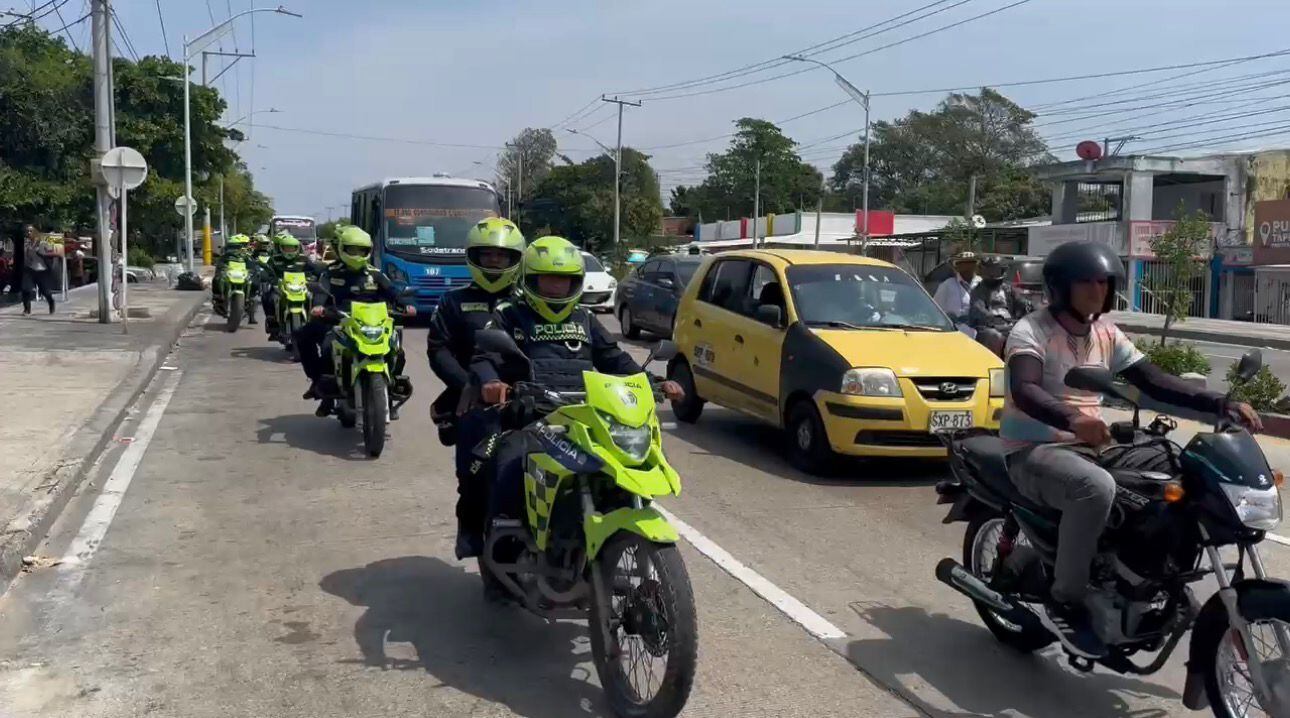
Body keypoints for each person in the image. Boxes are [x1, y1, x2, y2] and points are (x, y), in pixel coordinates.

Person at [1002, 239, 1263, 660]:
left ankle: (1151, 577)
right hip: (1034, 447)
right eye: (1085, 282)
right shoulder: (1031, 330)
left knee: (1179, 476)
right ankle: (1065, 598)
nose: (1097, 290)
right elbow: (1025, 388)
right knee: (1095, 489)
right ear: (1060, 287)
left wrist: (1220, 403)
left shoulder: (1105, 332)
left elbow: (1153, 379)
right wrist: (1071, 419)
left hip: (1091, 445)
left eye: (1104, 282)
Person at [457, 236, 684, 559]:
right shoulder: (509, 314)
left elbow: (614, 359)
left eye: (563, 281)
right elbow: (483, 356)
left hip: (583, 415)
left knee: (623, 464)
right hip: (530, 416)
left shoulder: (585, 318)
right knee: (505, 465)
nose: (555, 289)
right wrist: (492, 382)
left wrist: (653, 382)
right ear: (529, 280)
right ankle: (503, 549)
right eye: (547, 280)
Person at [426, 217, 526, 555]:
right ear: (474, 258)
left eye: (503, 257)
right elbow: (438, 349)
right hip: (472, 398)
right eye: (488, 256)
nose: (495, 263)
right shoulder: (453, 302)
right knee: (473, 468)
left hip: (528, 394)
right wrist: (466, 385)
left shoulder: (530, 302)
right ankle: (469, 526)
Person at [296, 226, 415, 417]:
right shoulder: (331, 273)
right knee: (318, 342)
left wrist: (406, 304)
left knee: (396, 349)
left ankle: (391, 390)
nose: (357, 254)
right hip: (339, 320)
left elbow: (393, 292)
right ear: (343, 249)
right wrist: (319, 307)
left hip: (373, 323)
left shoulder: (374, 274)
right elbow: (321, 292)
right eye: (352, 249)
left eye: (361, 250)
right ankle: (321, 387)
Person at [968, 256, 1033, 356]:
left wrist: (1030, 307)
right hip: (988, 327)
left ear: (1002, 271)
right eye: (989, 270)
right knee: (995, 337)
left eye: (995, 270)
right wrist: (994, 318)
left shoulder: (1008, 290)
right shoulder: (978, 290)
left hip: (1009, 325)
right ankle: (996, 365)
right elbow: (978, 309)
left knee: (1026, 335)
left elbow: (1021, 302)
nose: (992, 273)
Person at [261, 231, 320, 337]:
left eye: (292, 248)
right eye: (287, 248)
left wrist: (316, 276)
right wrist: (269, 278)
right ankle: (272, 320)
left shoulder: (303, 259)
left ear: (297, 248)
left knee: (315, 298)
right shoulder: (275, 259)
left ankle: (314, 322)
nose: (289, 250)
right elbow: (267, 271)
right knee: (268, 297)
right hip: (280, 287)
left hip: (301, 287)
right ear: (281, 248)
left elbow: (315, 269)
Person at [932, 251, 979, 336]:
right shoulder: (947, 285)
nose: (968, 266)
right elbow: (935, 310)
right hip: (953, 331)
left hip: (978, 331)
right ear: (957, 266)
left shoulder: (981, 283)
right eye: (963, 263)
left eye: (971, 262)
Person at [21, 225, 55, 315]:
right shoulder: (27, 243)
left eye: (30, 231)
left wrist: (40, 253)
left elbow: (50, 255)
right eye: (27, 231)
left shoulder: (42, 242)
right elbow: (27, 257)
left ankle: (51, 302)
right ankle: (27, 310)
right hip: (30, 269)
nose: (28, 233)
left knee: (45, 291)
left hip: (42, 270)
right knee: (26, 289)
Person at [212, 233, 252, 308]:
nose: (246, 247)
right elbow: (219, 264)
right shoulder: (225, 255)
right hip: (230, 273)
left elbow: (252, 265)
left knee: (251, 282)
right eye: (245, 245)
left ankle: (248, 299)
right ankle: (218, 295)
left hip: (242, 273)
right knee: (217, 278)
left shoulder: (247, 256)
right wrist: (221, 268)